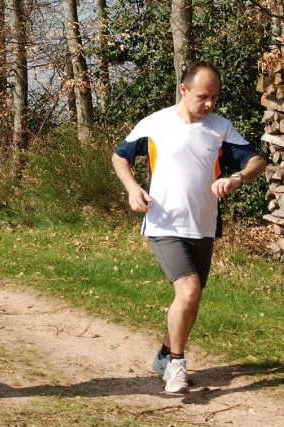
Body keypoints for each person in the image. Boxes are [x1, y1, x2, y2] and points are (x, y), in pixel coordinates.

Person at [111, 61, 267, 394]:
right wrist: (131, 187)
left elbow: (257, 161)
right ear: (184, 89)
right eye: (203, 96)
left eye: (214, 97)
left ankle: (164, 356)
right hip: (163, 222)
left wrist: (237, 177)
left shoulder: (220, 127)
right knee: (188, 290)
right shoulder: (155, 123)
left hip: (203, 226)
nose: (209, 104)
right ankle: (178, 365)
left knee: (191, 300)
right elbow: (119, 156)